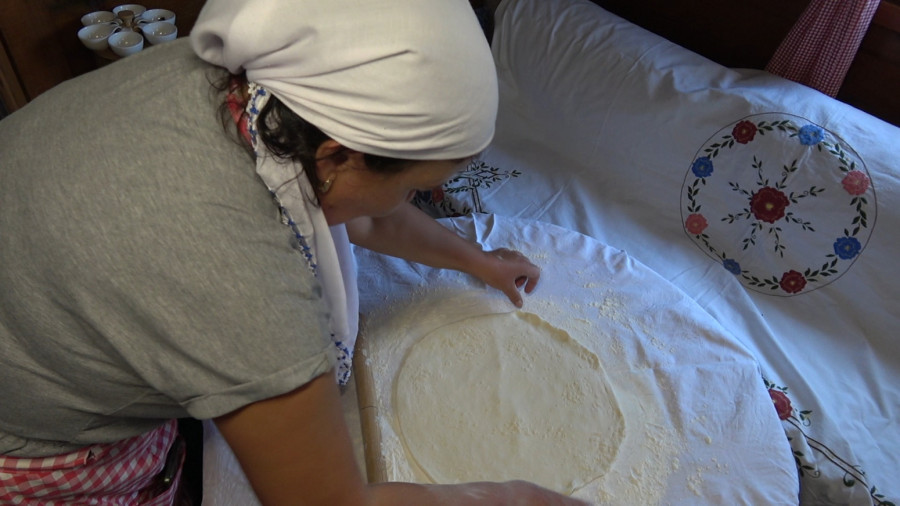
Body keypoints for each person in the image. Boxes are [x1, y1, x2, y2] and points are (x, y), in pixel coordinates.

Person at [0, 0, 589, 504]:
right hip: (28, 437)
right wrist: (502, 496)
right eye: (412, 187)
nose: (412, 199)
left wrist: (474, 258)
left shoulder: (251, 89)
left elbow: (360, 210)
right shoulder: (235, 272)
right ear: (336, 157)